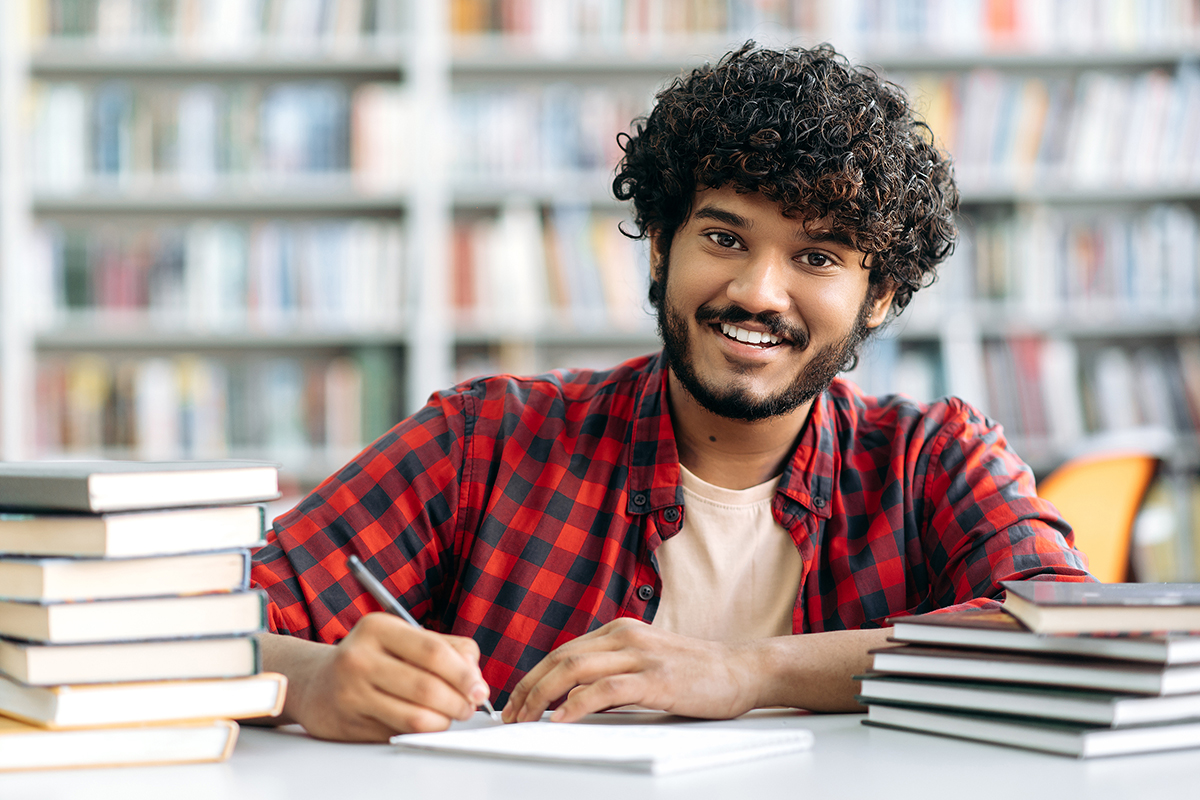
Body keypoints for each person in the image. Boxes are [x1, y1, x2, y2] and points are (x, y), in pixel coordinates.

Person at [251, 42, 1092, 742]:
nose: (759, 292)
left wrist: (749, 668)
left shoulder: (934, 459)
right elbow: (197, 627)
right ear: (661, 247)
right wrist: (313, 679)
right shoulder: (485, 442)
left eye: (818, 257)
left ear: (878, 296)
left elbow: (1071, 641)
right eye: (725, 237)